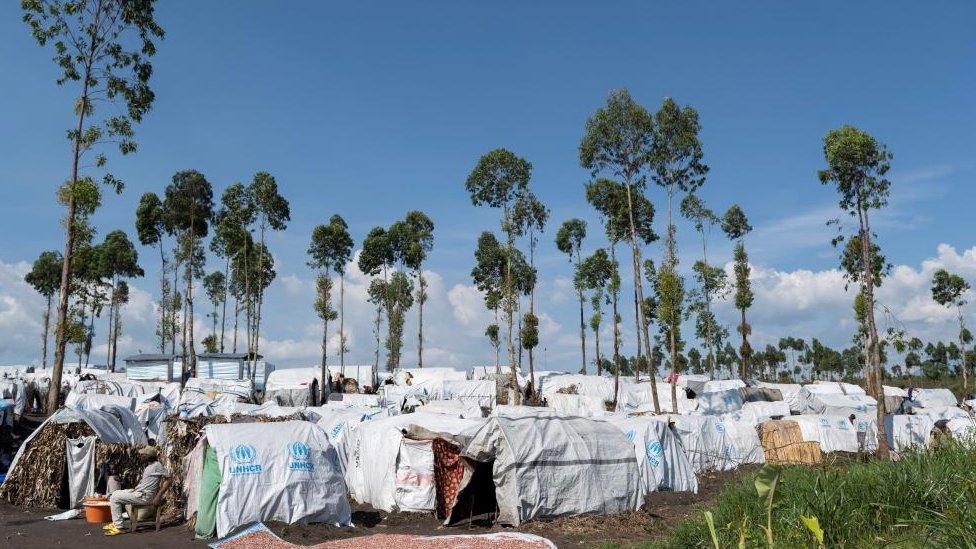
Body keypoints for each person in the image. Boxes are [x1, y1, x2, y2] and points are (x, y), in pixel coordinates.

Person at [103, 446, 170, 536]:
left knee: (115, 498)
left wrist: (158, 496)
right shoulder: (150, 466)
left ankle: (119, 526)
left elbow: (169, 479)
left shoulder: (157, 466)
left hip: (144, 496)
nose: (141, 455)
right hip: (139, 493)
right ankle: (117, 523)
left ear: (148, 456)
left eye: (143, 454)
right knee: (114, 494)